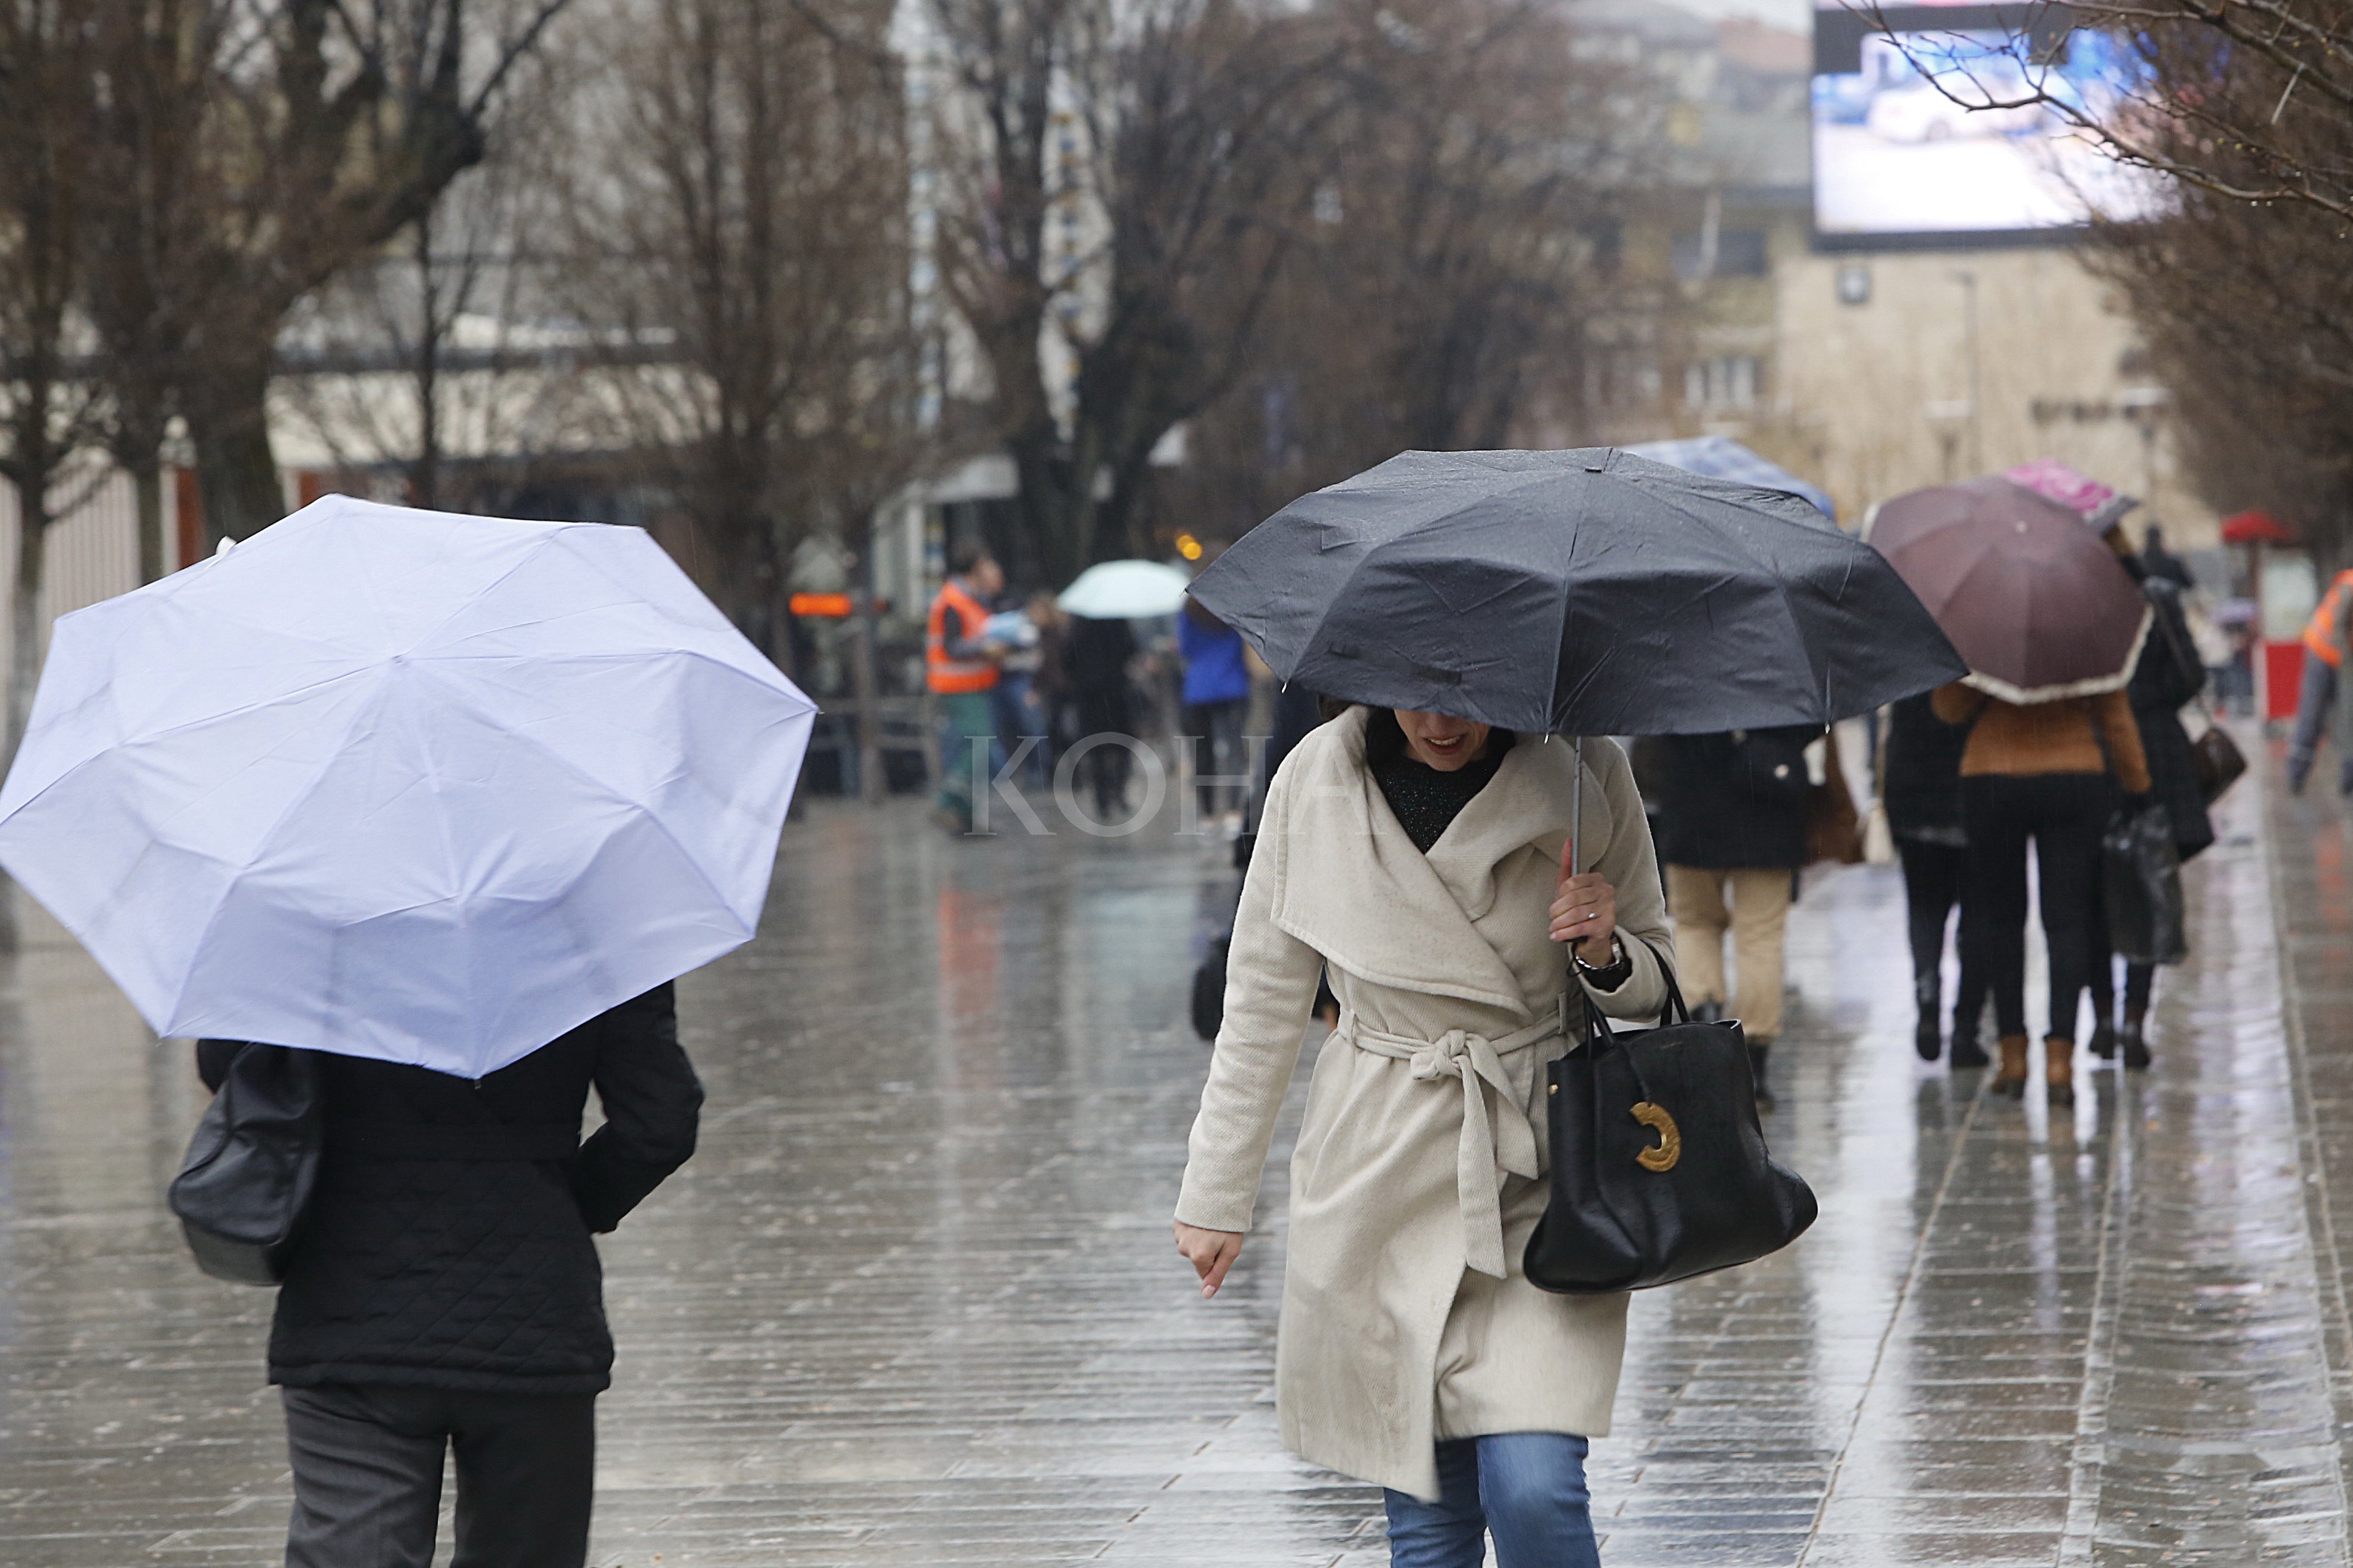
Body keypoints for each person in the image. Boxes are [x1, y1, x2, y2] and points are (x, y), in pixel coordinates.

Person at [1174, 705, 1676, 1567]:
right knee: (1430, 1527)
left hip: (1539, 1170)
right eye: (1412, 691)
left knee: (1535, 1486)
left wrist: (1605, 946)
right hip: (1382, 1169)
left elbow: (1658, 980)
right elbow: (1261, 997)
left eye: (1465, 696)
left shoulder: (1587, 770)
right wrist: (1217, 1191)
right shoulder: (1316, 778)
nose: (1438, 719)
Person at [198, 986, 701, 1568]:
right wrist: (559, 1206)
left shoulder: (315, 919)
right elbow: (660, 1123)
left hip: (350, 1306)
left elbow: (237, 1076)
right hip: (532, 1316)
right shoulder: (587, 930)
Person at [1934, 683, 2149, 1104]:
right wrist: (2137, 782)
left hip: (1991, 776)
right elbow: (2115, 710)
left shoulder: (1979, 629)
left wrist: (1985, 686)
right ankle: (2059, 1064)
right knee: (2067, 922)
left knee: (2002, 919)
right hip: (2073, 775)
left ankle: (2013, 1058)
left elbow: (1948, 708)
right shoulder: (2081, 626)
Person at [2086, 529, 2217, 1070]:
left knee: (2095, 891)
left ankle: (2105, 1017)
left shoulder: (2084, 607)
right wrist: (2152, 704)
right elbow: (2194, 675)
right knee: (2150, 882)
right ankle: (2137, 1015)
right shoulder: (2158, 598)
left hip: (2097, 758)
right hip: (2158, 753)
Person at [1650, 726, 1817, 1105]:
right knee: (1760, 938)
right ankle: (1755, 1065)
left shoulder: (1673, 670)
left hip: (1691, 809)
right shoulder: (1782, 670)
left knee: (1695, 924)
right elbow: (1808, 723)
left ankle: (1706, 1024)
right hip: (1767, 810)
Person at [1881, 693, 1985, 1067]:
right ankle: (1965, 1028)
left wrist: (1893, 811)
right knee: (1978, 919)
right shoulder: (1985, 650)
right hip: (1975, 801)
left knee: (1925, 912)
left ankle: (1927, 997)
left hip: (1915, 801)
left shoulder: (1912, 651)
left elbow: (1894, 740)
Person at [926, 543, 1006, 833]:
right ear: (975, 568)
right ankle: (947, 800)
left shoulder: (969, 600)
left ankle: (966, 820)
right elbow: (952, 646)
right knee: (981, 746)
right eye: (988, 564)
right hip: (960, 687)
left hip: (972, 686)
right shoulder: (954, 601)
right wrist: (986, 650)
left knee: (969, 748)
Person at [1177, 599, 1252, 828]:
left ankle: (1208, 813)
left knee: (1202, 751)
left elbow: (1185, 648)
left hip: (1199, 688)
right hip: (1233, 684)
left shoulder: (1188, 610)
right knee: (1235, 750)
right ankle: (1233, 809)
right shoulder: (1234, 608)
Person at [1064, 613, 1139, 819]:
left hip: (1090, 697)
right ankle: (1119, 792)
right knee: (1122, 746)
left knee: (1097, 750)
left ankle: (1102, 800)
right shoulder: (1118, 620)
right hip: (1116, 694)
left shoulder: (1079, 625)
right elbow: (1131, 648)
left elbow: (1068, 659)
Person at [2288, 566, 2353, 797]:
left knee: (2348, 719)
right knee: (2313, 715)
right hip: (2323, 654)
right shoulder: (2351, 585)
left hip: (2342, 658)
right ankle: (2296, 774)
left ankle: (2349, 782)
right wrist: (2347, 663)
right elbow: (2338, 625)